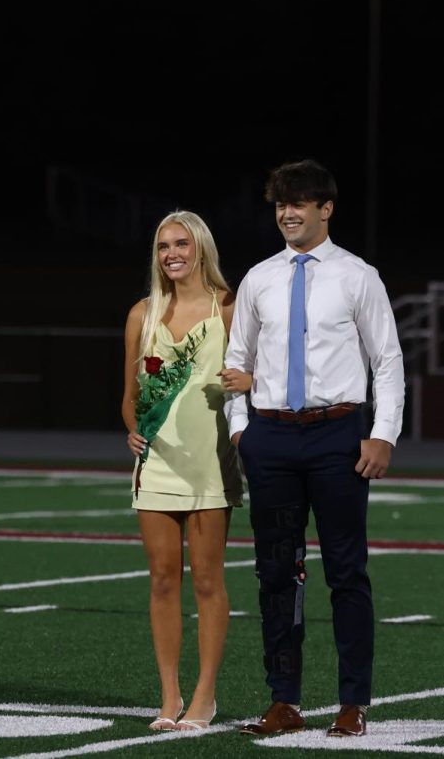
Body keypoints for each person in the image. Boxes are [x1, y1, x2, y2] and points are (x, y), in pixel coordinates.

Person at [223, 159, 404, 739]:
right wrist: (239, 429)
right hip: (270, 438)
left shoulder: (358, 276)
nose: (287, 213)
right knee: (276, 574)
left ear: (326, 208)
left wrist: (383, 434)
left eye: (299, 202)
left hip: (337, 435)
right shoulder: (259, 278)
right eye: (280, 203)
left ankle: (354, 702)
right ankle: (284, 701)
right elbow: (236, 361)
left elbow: (389, 360)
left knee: (346, 572)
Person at [121, 210, 250, 732]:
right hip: (157, 464)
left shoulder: (231, 308)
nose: (171, 254)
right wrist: (132, 429)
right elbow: (129, 399)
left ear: (202, 249)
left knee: (208, 582)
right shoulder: (142, 314)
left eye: (181, 244)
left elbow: (253, 373)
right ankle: (169, 696)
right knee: (162, 579)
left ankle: (205, 696)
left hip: (211, 462)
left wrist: (250, 380)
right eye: (162, 246)